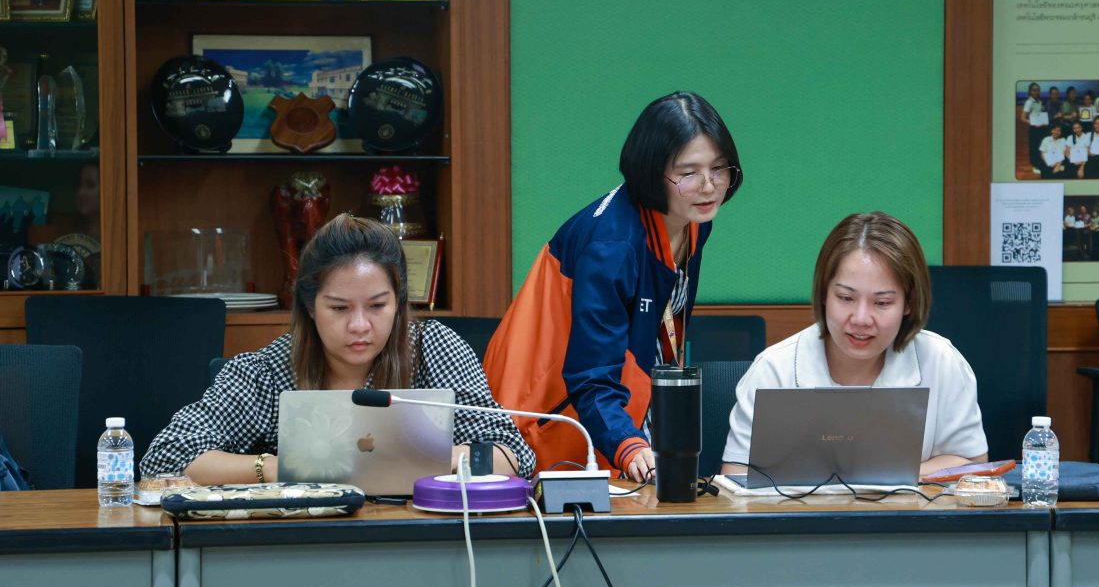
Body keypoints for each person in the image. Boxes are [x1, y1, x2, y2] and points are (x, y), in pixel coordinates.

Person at [141, 214, 535, 483]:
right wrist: (282, 468)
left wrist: (427, 459)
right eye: (340, 308)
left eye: (377, 306)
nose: (360, 325)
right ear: (310, 307)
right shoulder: (268, 370)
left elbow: (514, 456)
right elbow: (165, 459)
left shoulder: (434, 348)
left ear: (399, 302)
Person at [484, 91, 743, 481]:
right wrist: (627, 443)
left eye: (719, 168)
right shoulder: (612, 247)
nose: (709, 186)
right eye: (688, 173)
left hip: (614, 405)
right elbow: (591, 375)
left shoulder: (693, 219)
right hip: (542, 412)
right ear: (651, 171)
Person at [720, 211, 987, 477]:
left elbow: (971, 462)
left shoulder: (940, 361)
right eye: (846, 298)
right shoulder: (774, 370)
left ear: (909, 302)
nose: (861, 319)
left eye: (882, 302)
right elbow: (737, 474)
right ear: (824, 293)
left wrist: (881, 479)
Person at [1020, 83, 1048, 175]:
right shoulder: (1029, 102)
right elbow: (1022, 118)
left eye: (1038, 90)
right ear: (1030, 91)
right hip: (1034, 129)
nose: (1036, 92)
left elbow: (1039, 114)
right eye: (1034, 90)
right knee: (1034, 148)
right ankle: (1035, 166)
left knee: (1041, 147)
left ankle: (1041, 164)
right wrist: (1033, 123)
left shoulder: (1039, 101)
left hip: (1041, 128)